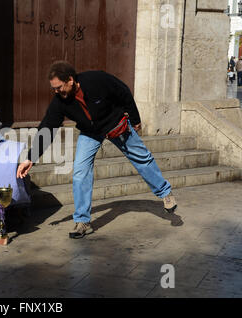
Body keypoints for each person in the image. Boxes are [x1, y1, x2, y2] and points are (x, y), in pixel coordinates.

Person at [16, 61, 177, 239]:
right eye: (53, 88)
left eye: (59, 87)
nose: (56, 92)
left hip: (116, 124)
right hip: (90, 132)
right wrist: (30, 158)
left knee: (141, 158)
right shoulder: (59, 101)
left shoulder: (97, 80)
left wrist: (135, 118)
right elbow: (47, 128)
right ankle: (82, 222)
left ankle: (165, 193)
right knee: (80, 171)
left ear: (70, 80)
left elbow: (123, 91)